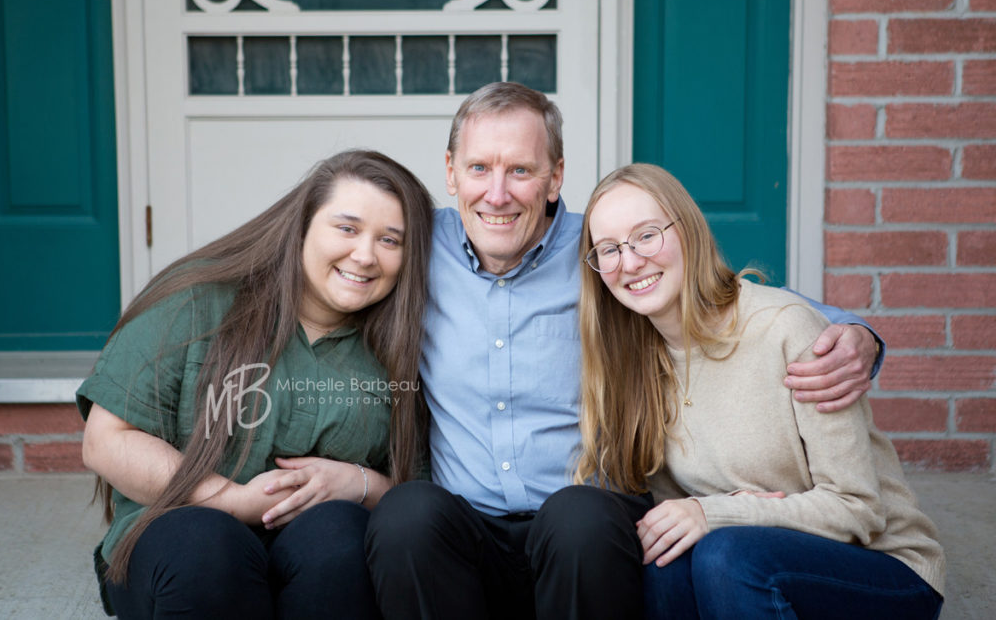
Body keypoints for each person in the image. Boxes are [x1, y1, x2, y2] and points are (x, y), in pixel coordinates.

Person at [364, 82, 887, 619]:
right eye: (479, 169)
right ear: (450, 171)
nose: (497, 194)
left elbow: (717, 293)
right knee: (406, 514)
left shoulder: (603, 250)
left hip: (587, 520)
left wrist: (853, 331)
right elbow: (324, 263)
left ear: (555, 178)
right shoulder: (417, 246)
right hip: (466, 523)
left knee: (577, 518)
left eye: (520, 170)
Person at [576, 163, 945, 619]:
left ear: (687, 231)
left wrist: (722, 513)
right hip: (745, 564)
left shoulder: (786, 329)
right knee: (665, 560)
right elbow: (674, 513)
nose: (630, 263)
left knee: (726, 555)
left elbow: (859, 511)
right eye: (608, 249)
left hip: (882, 569)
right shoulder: (633, 363)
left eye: (647, 235)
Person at [77, 150, 433, 619]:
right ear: (303, 224)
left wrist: (361, 483)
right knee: (203, 543)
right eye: (347, 228)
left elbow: (419, 494)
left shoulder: (406, 345)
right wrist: (234, 501)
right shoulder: (199, 298)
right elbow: (105, 443)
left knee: (343, 539)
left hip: (314, 553)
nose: (365, 255)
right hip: (182, 546)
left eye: (390, 240)